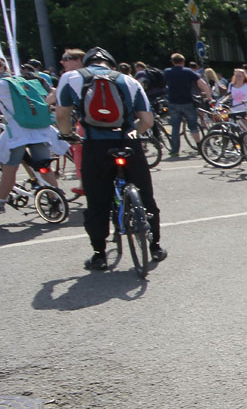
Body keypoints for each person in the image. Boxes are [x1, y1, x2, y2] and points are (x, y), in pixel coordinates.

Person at [54, 47, 166, 269]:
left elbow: (62, 114)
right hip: (127, 142)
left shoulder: (71, 78)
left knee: (97, 200)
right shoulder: (129, 80)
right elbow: (147, 120)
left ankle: (99, 254)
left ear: (87, 63)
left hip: (95, 144)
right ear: (112, 65)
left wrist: (67, 134)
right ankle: (155, 246)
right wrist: (132, 132)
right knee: (145, 194)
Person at [0, 63, 62, 213]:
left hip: (18, 132)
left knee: (10, 168)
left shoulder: (1, 85)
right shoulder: (25, 81)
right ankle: (56, 200)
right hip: (40, 128)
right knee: (44, 167)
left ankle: (1, 202)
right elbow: (48, 97)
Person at [162, 52, 211, 156]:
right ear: (183, 62)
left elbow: (163, 85)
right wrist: (208, 96)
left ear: (172, 62)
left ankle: (174, 150)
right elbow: (202, 84)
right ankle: (199, 147)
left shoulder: (167, 72)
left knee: (175, 127)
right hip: (187, 102)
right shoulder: (188, 72)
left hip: (173, 102)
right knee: (193, 126)